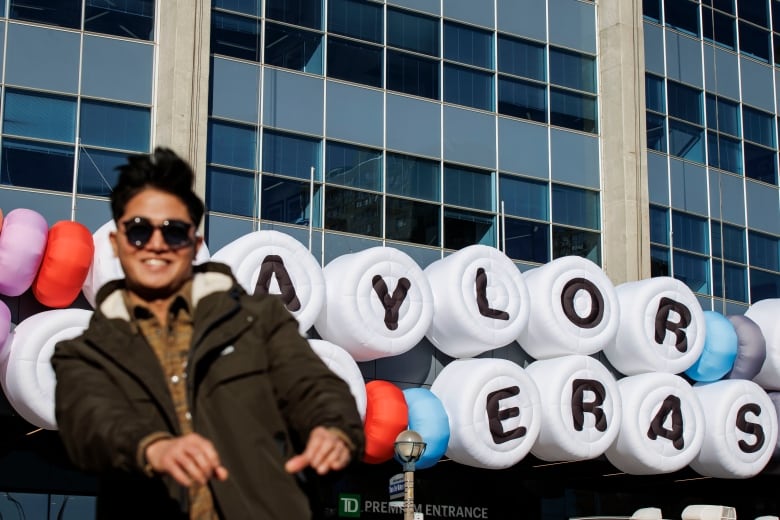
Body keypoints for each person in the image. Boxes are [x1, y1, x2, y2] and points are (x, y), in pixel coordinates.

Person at [51, 147, 365, 520]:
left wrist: (332, 428)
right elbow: (90, 416)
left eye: (174, 232)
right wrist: (151, 446)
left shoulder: (260, 319)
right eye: (138, 231)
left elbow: (313, 382)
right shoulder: (87, 350)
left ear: (195, 245)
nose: (156, 244)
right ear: (117, 244)